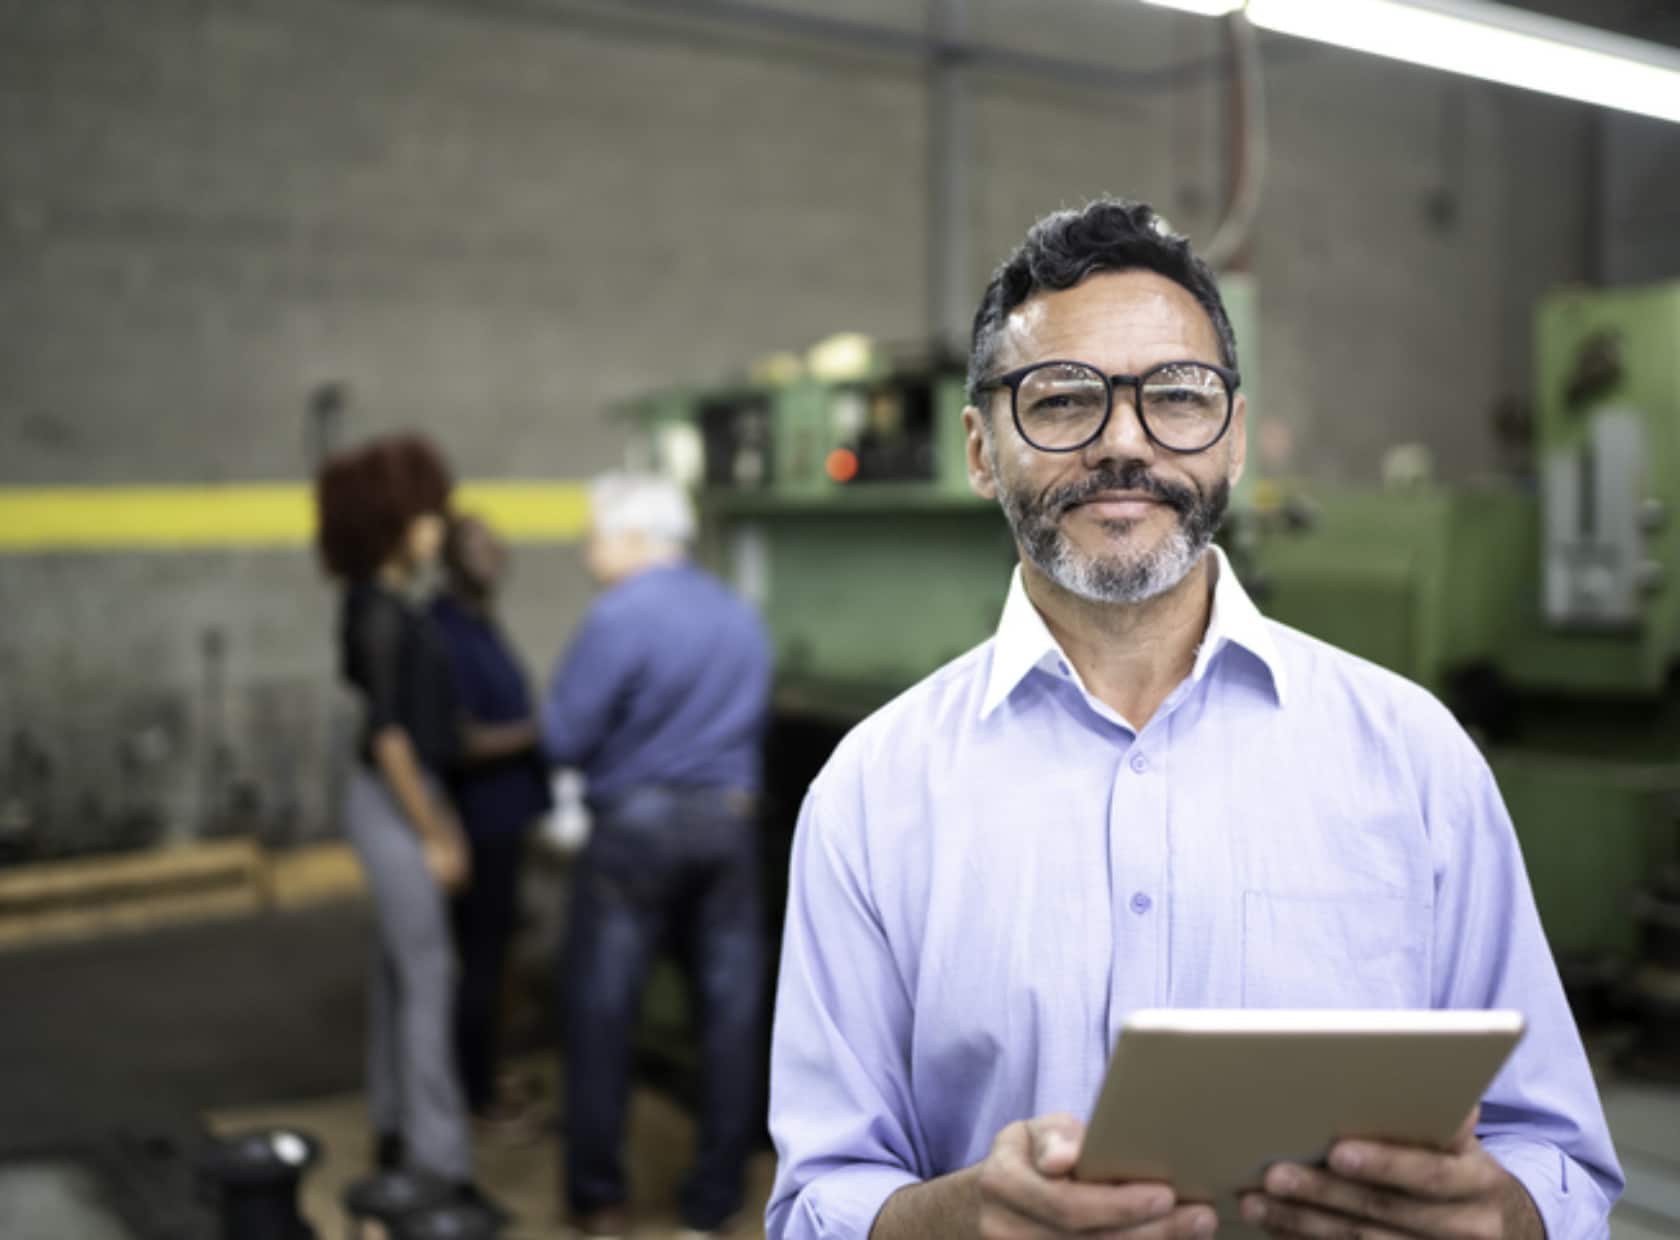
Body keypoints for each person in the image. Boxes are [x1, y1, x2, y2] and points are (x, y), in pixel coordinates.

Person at [766, 199, 1623, 1240]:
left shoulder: (1414, 757)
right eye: (1062, 398)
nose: (1125, 442)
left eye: (1177, 396)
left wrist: (1508, 1212)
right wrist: (959, 1218)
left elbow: (1559, 1154)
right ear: (982, 450)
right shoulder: (873, 791)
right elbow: (816, 1200)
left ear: (1235, 439)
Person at [544, 472, 774, 1240]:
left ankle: (599, 1199)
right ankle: (712, 1204)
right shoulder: (738, 614)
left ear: (641, 538)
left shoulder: (617, 617)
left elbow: (564, 738)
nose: (589, 551)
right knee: (731, 1016)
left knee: (603, 1011)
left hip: (634, 833)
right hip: (728, 828)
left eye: (599, 535)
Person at [315, 434, 474, 1191]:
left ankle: (390, 1124)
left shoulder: (385, 604)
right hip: (393, 800)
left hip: (403, 797)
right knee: (429, 970)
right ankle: (437, 1161)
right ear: (389, 521)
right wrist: (435, 831)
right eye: (423, 515)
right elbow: (389, 738)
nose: (436, 528)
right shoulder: (374, 611)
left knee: (396, 967)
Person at [430, 513, 553, 1129]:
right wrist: (539, 731)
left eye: (494, 541)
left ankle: (482, 1076)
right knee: (479, 959)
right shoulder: (444, 631)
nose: (492, 552)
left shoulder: (480, 623)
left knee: (497, 954)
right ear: (449, 557)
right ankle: (474, 1096)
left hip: (506, 816)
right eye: (475, 544)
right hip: (478, 821)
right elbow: (456, 739)